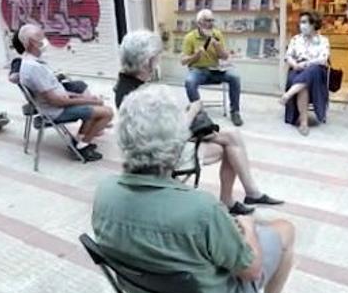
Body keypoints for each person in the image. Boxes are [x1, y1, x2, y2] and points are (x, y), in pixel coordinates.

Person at [93, 85, 299, 293]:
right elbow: (252, 271)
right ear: (177, 142)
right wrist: (247, 228)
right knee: (285, 230)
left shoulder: (104, 193)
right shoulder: (202, 209)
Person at [115, 30, 282, 215]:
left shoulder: (126, 86)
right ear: (147, 61)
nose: (157, 63)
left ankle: (247, 194)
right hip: (164, 157)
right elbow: (172, 135)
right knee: (228, 146)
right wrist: (193, 111)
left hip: (156, 149)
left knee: (232, 136)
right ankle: (237, 198)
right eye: (156, 58)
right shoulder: (138, 95)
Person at [17, 24, 113, 162]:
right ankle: (82, 147)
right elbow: (56, 101)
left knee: (95, 106)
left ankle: (78, 143)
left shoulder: (31, 62)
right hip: (56, 111)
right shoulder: (34, 68)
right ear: (32, 42)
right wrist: (89, 101)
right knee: (107, 113)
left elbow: (55, 89)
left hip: (57, 105)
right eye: (41, 37)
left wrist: (81, 96)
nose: (45, 40)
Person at [182, 9, 244, 126]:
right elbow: (183, 61)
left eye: (212, 20)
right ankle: (198, 114)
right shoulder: (190, 37)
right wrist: (196, 55)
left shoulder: (217, 34)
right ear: (199, 23)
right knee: (189, 81)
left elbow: (225, 56)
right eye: (207, 20)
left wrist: (217, 45)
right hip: (198, 71)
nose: (211, 23)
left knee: (235, 77)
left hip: (216, 70)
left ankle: (235, 111)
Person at [280, 11, 331, 136]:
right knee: (303, 85)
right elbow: (288, 56)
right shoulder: (296, 39)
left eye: (304, 22)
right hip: (297, 70)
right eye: (300, 22)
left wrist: (306, 64)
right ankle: (304, 123)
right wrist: (295, 65)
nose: (301, 25)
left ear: (313, 24)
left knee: (312, 70)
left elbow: (323, 59)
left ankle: (289, 94)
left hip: (316, 73)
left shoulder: (323, 40)